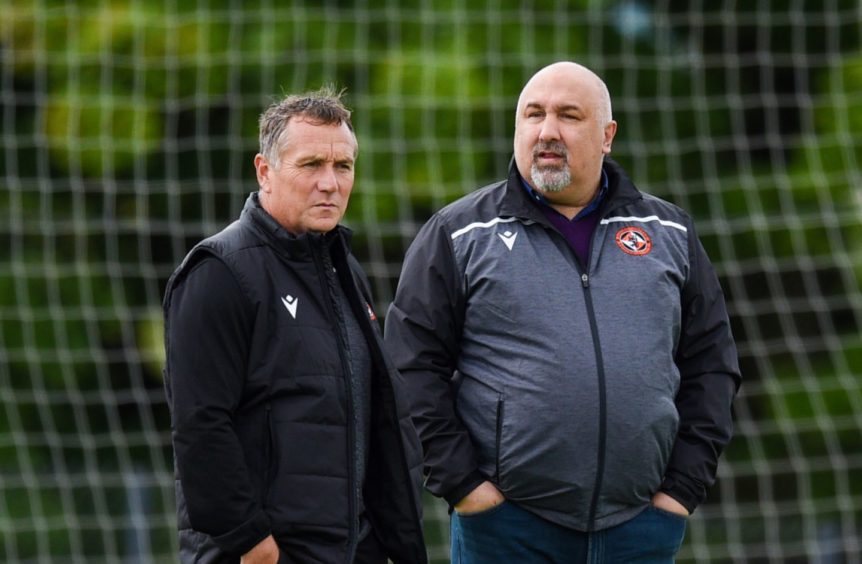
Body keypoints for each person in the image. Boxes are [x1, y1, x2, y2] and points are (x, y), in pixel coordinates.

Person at [384, 62, 742, 563]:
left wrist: (681, 489)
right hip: (508, 530)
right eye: (533, 115)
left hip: (642, 529)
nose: (547, 131)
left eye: (569, 116)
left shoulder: (670, 232)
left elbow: (713, 363)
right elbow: (409, 367)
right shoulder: (458, 234)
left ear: (607, 135)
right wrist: (464, 485)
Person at [163, 87, 428, 564]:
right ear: (265, 171)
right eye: (311, 165)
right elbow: (200, 428)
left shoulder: (346, 271)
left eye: (343, 166)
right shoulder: (218, 273)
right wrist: (252, 544)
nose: (330, 183)